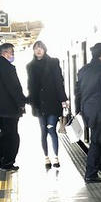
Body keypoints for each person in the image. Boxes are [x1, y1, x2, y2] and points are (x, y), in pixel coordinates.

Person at [75, 43, 101, 183]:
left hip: (87, 110)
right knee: (96, 143)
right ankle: (91, 173)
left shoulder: (83, 70)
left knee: (96, 140)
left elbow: (78, 93)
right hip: (100, 111)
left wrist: (79, 111)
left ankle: (93, 171)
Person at [26, 40, 70, 168]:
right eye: (36, 48)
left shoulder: (53, 62)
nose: (38, 50)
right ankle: (46, 157)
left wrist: (63, 99)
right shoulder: (30, 66)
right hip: (39, 104)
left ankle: (56, 157)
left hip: (53, 102)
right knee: (43, 131)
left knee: (51, 129)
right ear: (34, 51)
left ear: (45, 49)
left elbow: (59, 82)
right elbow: (30, 86)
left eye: (40, 48)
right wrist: (29, 101)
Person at [0, 43, 27, 171]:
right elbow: (14, 88)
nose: (13, 55)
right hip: (9, 110)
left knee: (3, 134)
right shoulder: (8, 68)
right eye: (11, 52)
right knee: (12, 137)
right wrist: (21, 103)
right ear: (5, 53)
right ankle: (8, 162)